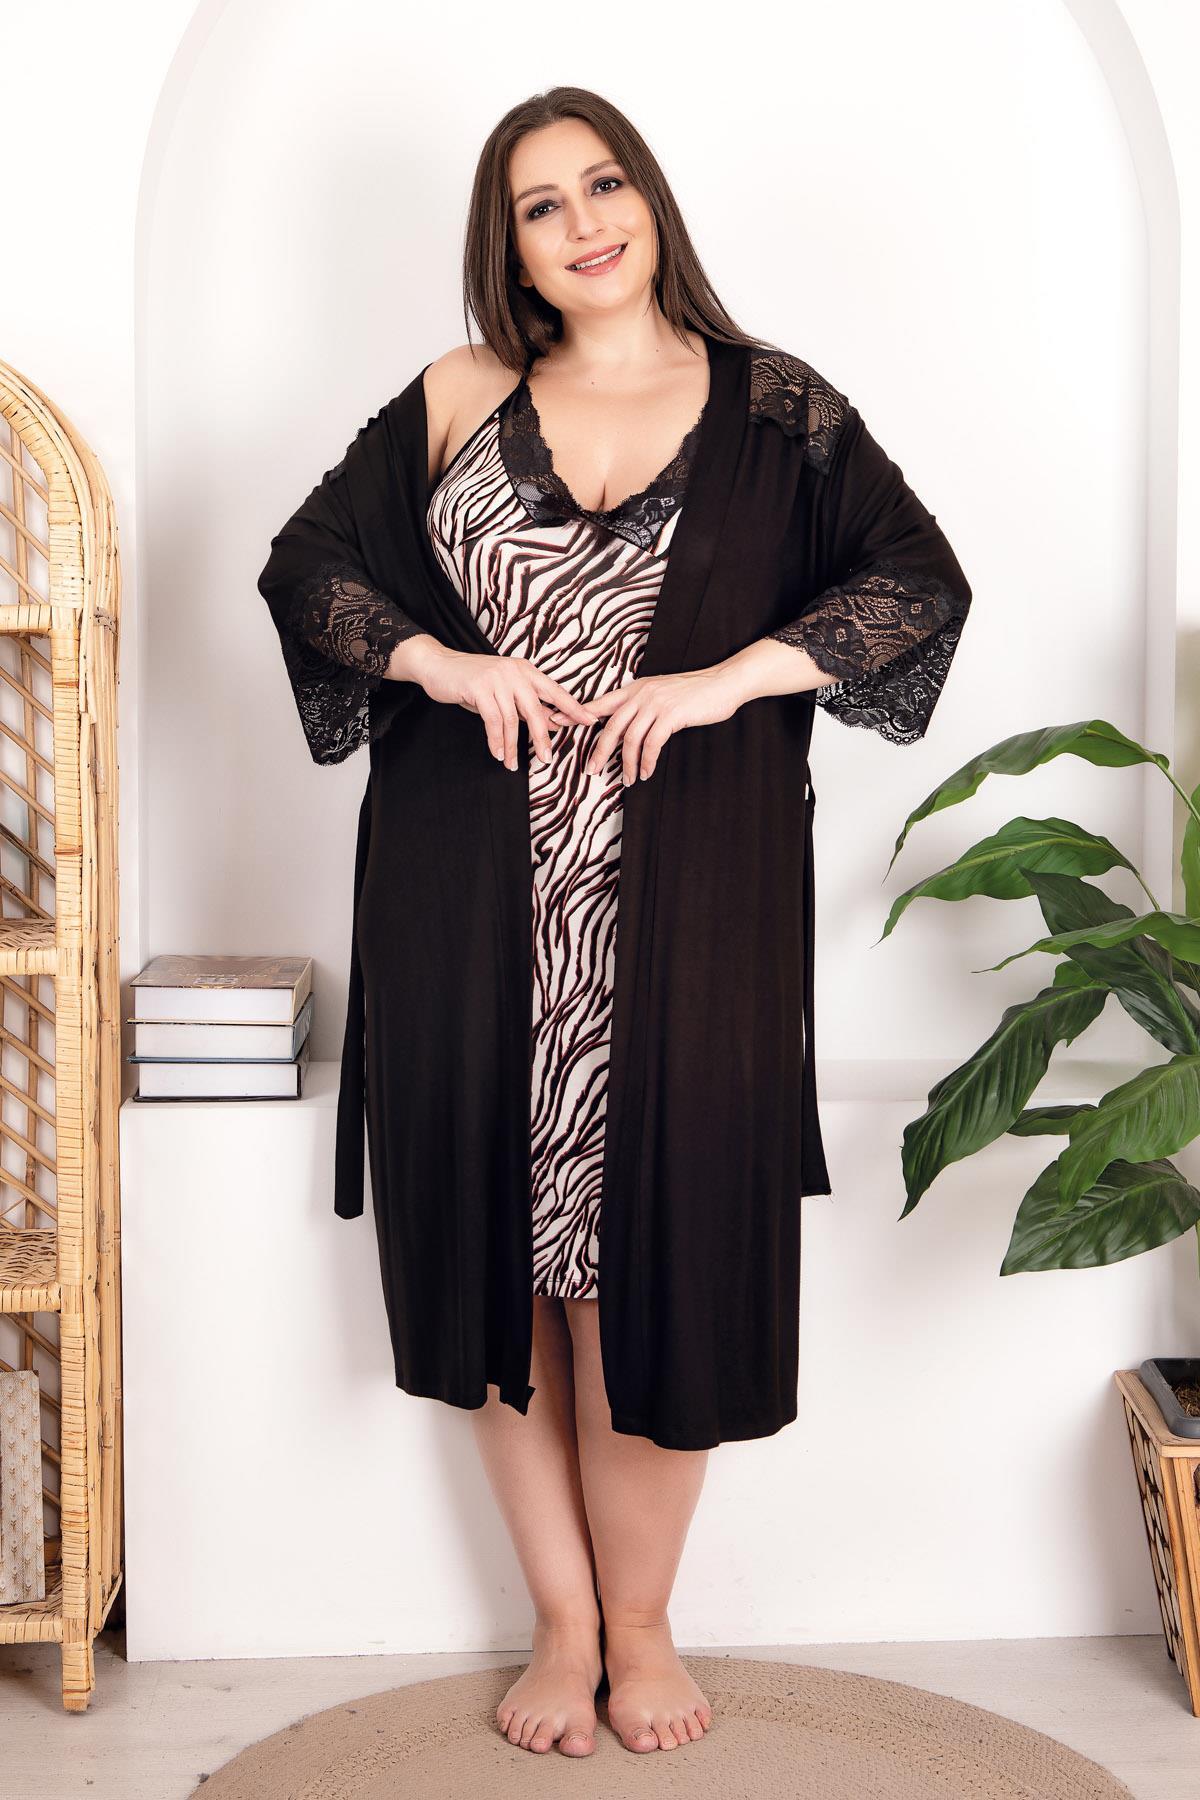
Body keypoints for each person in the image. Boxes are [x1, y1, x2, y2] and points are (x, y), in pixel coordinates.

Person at [258, 85, 972, 1760]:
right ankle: (562, 1622)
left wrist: (728, 680)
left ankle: (643, 1624)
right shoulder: (457, 395)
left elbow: (915, 583)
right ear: (507, 247)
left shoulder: (778, 408)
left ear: (649, 201)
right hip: (462, 897)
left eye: (603, 185)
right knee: (502, 1252)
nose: (581, 223)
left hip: (692, 906)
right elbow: (308, 568)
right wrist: (441, 662)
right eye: (539, 205)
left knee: (658, 1245)